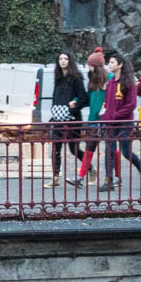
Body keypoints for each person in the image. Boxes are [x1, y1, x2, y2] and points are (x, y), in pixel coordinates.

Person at [97, 54, 141, 192]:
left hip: (124, 123)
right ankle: (108, 180)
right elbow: (108, 104)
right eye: (109, 62)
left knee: (126, 152)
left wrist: (115, 115)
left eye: (112, 62)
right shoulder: (110, 83)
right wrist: (104, 116)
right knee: (109, 150)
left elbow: (131, 105)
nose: (109, 65)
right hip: (110, 123)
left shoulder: (128, 83)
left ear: (120, 65)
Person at [45, 51, 85, 188]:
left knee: (74, 149)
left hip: (72, 118)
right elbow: (55, 96)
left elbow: (83, 97)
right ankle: (55, 178)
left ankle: (89, 168)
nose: (63, 61)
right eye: (60, 59)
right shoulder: (58, 77)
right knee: (56, 147)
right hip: (58, 118)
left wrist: (73, 107)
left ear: (70, 61)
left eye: (65, 59)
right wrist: (54, 110)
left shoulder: (76, 78)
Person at [73, 48, 111, 185]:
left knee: (112, 148)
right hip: (93, 120)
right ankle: (80, 177)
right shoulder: (92, 82)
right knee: (90, 146)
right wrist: (77, 100)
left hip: (105, 120)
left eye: (90, 65)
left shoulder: (110, 79)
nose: (89, 68)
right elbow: (88, 98)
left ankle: (116, 177)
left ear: (96, 66)